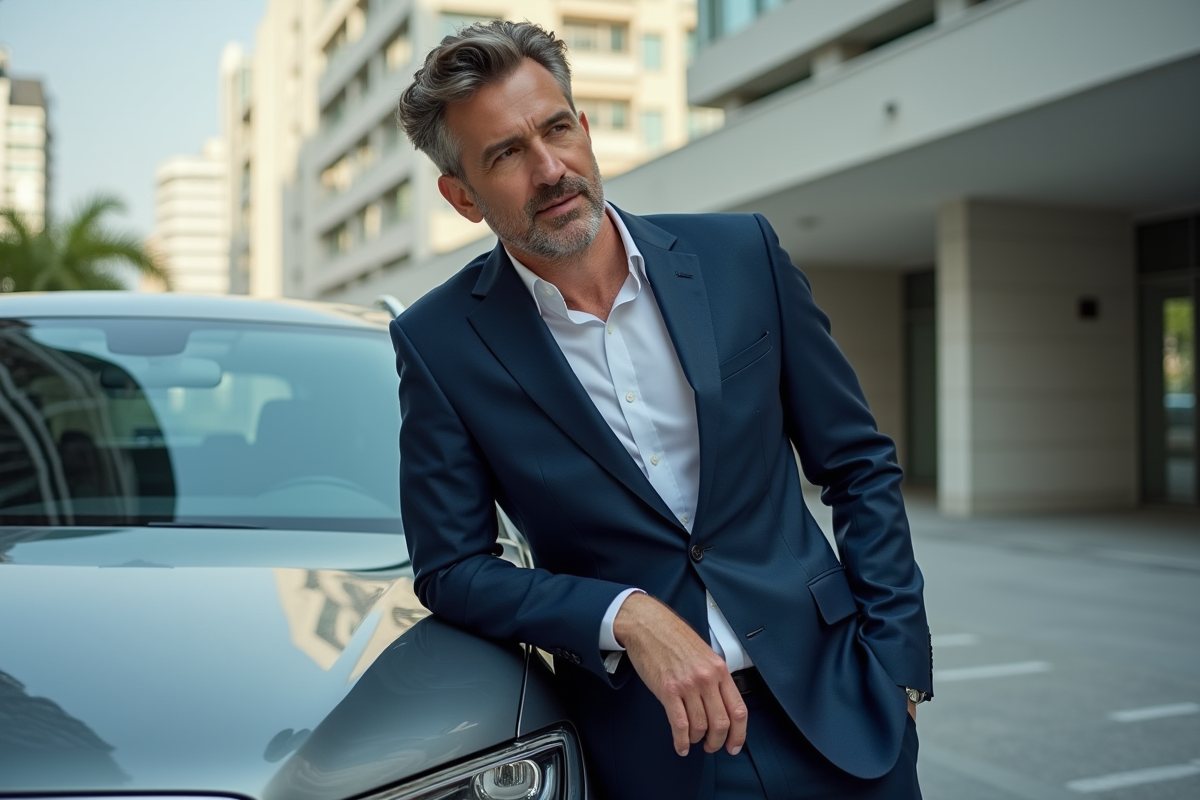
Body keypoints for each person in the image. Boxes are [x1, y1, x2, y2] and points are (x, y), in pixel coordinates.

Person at [392, 21, 931, 800]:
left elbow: (857, 464)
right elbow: (452, 570)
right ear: (462, 197)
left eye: (557, 128)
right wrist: (623, 613)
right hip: (652, 751)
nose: (550, 169)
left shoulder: (741, 256)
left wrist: (896, 666)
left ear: (583, 127)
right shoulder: (439, 342)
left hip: (842, 710)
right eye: (506, 154)